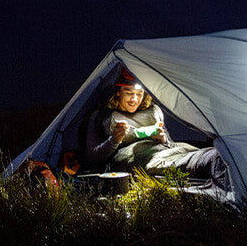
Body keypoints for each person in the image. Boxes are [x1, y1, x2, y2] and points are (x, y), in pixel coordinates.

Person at [84, 67, 229, 188]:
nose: (134, 99)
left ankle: (222, 157)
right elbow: (92, 156)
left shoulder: (153, 112)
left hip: (164, 150)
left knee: (198, 151)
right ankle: (215, 161)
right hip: (140, 158)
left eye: (139, 94)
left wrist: (162, 138)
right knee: (192, 162)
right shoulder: (100, 116)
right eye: (129, 93)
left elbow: (169, 144)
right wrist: (114, 140)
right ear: (117, 93)